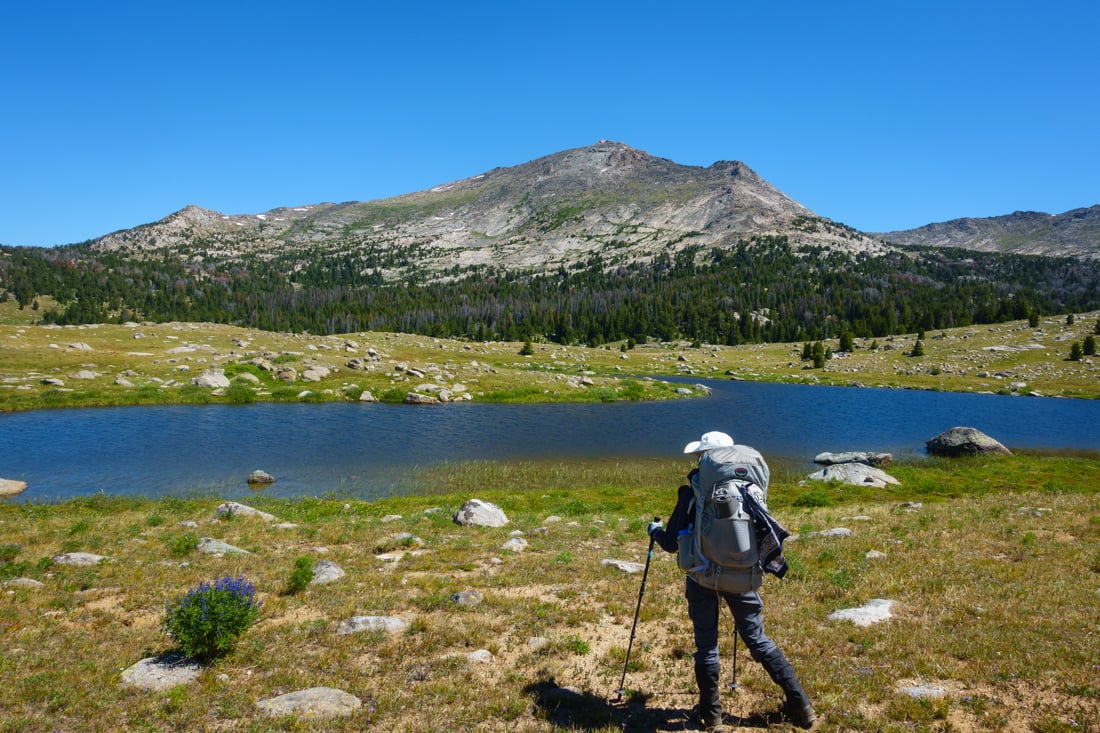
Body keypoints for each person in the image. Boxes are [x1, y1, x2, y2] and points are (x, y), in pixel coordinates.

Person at [648, 431, 816, 730]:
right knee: (759, 641)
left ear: (706, 458)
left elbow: (672, 543)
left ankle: (711, 716)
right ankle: (801, 704)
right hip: (745, 578)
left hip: (703, 577)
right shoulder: (752, 487)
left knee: (707, 647)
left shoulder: (692, 493)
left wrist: (655, 531)